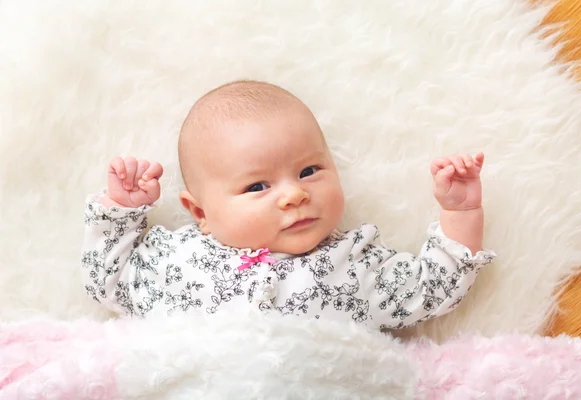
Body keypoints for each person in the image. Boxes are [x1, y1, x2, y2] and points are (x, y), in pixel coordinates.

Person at [81, 80, 496, 330]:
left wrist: (460, 212)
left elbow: (434, 287)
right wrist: (120, 210)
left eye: (309, 171)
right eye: (258, 185)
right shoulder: (175, 262)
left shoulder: (355, 266)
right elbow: (106, 280)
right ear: (201, 213)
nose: (295, 194)